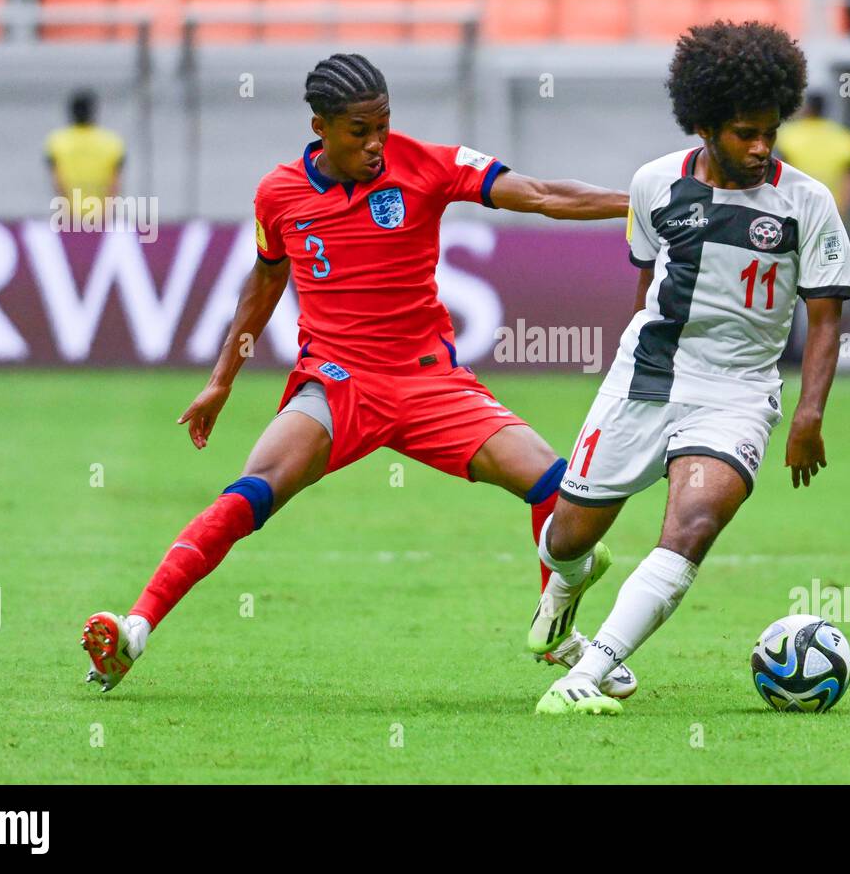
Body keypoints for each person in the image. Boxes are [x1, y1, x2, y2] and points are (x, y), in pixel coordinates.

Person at [81, 53, 637, 699]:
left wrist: (641, 202)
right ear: (319, 126)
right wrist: (222, 378)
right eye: (358, 130)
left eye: (383, 125)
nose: (376, 144)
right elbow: (264, 281)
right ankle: (134, 631)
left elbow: (540, 194)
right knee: (251, 493)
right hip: (339, 383)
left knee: (556, 487)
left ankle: (560, 634)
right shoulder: (279, 194)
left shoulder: (428, 164)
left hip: (431, 383)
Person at [529, 21, 850, 715]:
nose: (762, 146)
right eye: (745, 133)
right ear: (704, 125)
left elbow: (825, 319)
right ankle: (560, 599)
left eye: (771, 130)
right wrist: (632, 368)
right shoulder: (654, 185)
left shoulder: (807, 203)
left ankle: (589, 672)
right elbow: (646, 290)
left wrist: (809, 412)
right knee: (566, 538)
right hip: (646, 377)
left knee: (693, 525)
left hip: (736, 394)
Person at [774, 94, 850, 218]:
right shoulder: (845, 138)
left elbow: (780, 172)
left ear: (807, 109)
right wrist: (843, 208)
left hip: (796, 208)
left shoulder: (788, 135)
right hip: (830, 209)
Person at [44, 89, 125, 213]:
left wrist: (67, 210)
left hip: (69, 214)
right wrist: (106, 211)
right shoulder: (111, 141)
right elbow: (115, 181)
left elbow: (57, 181)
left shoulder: (57, 141)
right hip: (101, 214)